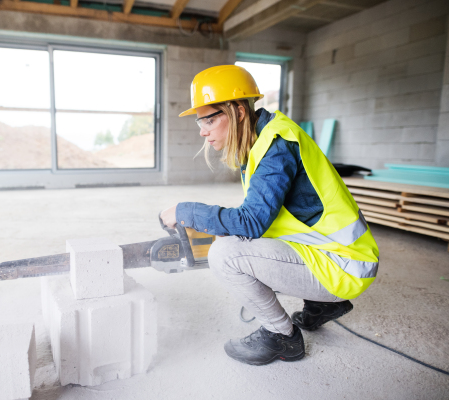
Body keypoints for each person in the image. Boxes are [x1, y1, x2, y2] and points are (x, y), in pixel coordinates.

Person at [159, 65, 379, 366]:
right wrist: (227, 226)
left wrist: (186, 211)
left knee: (225, 254)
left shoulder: (275, 146)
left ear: (237, 111)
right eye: (200, 121)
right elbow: (271, 218)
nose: (202, 130)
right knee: (236, 237)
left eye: (209, 119)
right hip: (330, 251)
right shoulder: (263, 138)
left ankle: (281, 337)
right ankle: (322, 305)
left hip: (344, 264)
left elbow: (252, 222)